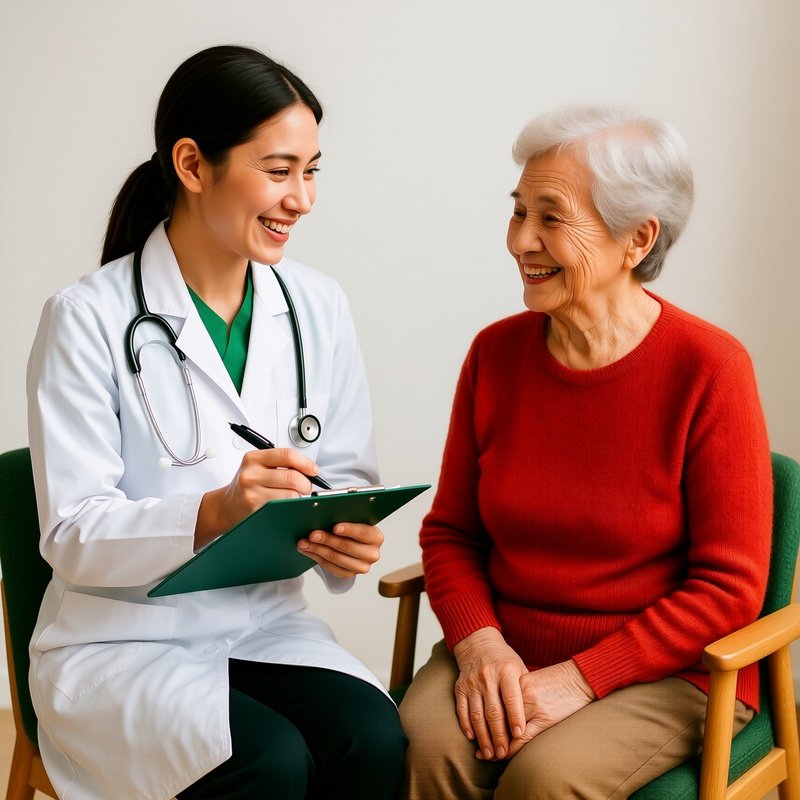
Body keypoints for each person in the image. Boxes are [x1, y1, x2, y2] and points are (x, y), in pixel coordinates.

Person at [26, 44, 405, 800]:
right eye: (278, 170)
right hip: (122, 642)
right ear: (193, 165)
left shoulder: (316, 306)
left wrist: (344, 533)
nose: (302, 198)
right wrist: (213, 512)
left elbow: (346, 475)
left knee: (373, 738)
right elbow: (69, 533)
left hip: (263, 625)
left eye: (312, 170)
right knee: (269, 761)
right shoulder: (87, 318)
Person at [399, 104, 772, 799]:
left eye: (550, 217)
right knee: (424, 749)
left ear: (637, 239)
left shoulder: (710, 367)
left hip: (663, 673)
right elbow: (451, 532)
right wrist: (479, 644)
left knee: (545, 780)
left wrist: (580, 679)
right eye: (518, 212)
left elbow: (730, 588)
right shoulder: (494, 355)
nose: (520, 241)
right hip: (501, 647)